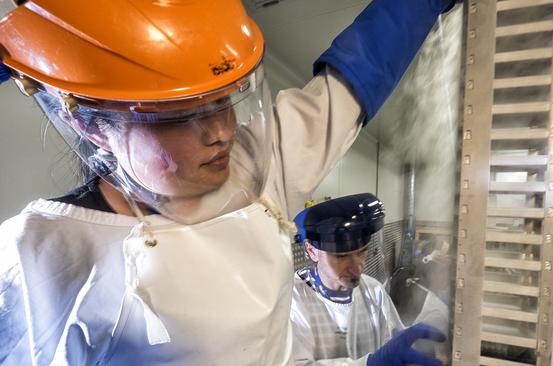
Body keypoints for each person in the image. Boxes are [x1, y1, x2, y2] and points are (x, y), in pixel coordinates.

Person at [0, 0, 457, 364]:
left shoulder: (254, 168)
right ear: (91, 125)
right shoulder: (41, 254)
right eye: (181, 114)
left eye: (225, 100)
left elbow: (354, 77)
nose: (220, 131)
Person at [291, 193, 445, 366]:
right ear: (312, 251)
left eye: (361, 252)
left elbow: (392, 342)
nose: (358, 268)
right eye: (341, 257)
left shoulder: (373, 290)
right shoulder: (293, 301)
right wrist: (371, 362)